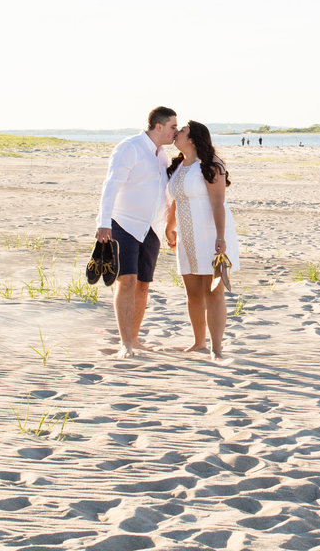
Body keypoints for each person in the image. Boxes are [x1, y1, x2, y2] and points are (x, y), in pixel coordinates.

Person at [96, 106, 179, 358]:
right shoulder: (129, 147)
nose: (175, 132)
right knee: (127, 281)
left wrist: (168, 225)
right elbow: (111, 184)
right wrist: (103, 223)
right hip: (124, 223)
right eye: (173, 127)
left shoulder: (162, 155)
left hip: (151, 228)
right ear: (158, 126)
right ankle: (125, 344)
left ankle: (135, 338)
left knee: (143, 285)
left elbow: (162, 194)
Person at [165, 120, 239, 364]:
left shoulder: (210, 165)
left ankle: (216, 348)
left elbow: (218, 203)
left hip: (210, 235)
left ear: (194, 138)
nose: (176, 133)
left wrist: (220, 237)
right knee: (193, 293)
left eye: (182, 131)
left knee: (213, 292)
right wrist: (170, 226)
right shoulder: (178, 165)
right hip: (187, 236)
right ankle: (199, 342)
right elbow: (177, 198)